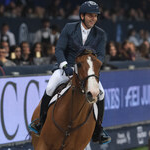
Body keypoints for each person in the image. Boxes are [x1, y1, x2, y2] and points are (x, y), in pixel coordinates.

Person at [29, 1, 111, 144]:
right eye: (90, 16)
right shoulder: (69, 28)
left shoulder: (100, 34)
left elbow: (102, 55)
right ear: (82, 16)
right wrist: (65, 65)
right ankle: (40, 121)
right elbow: (59, 49)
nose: (93, 18)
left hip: (87, 71)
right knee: (50, 88)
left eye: (96, 16)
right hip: (67, 67)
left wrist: (93, 67)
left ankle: (98, 129)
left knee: (101, 93)